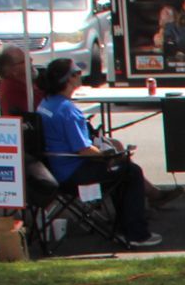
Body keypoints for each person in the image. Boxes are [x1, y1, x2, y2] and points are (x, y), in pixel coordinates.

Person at [33, 57, 165, 248]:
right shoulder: (67, 110)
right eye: (77, 72)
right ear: (68, 79)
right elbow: (84, 149)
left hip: (56, 167)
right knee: (130, 171)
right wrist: (109, 155)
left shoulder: (46, 103)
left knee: (121, 171)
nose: (80, 74)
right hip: (73, 171)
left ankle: (124, 227)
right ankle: (137, 233)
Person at [0, 45, 38, 118]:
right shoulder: (12, 91)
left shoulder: (25, 83)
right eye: (24, 60)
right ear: (12, 70)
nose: (30, 59)